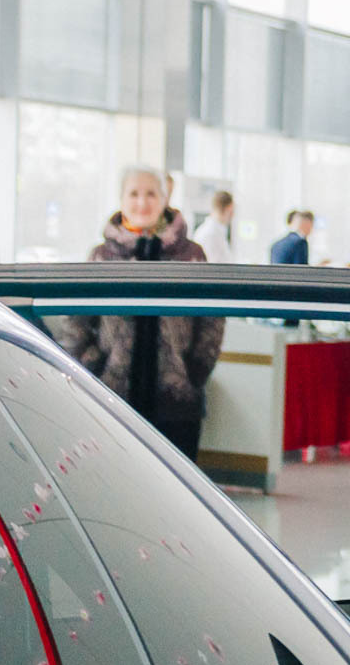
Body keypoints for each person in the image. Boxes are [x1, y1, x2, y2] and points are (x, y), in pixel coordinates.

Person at [56, 167, 224, 459]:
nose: (142, 202)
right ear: (121, 198)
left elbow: (211, 321)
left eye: (151, 194)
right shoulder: (102, 256)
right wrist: (94, 369)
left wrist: (193, 373)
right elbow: (76, 322)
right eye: (133, 194)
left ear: (165, 198)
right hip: (110, 398)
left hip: (177, 403)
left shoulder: (191, 255)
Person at [199, 189, 237, 262]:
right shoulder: (210, 233)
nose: (232, 216)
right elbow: (214, 265)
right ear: (228, 209)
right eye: (232, 211)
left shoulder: (215, 231)